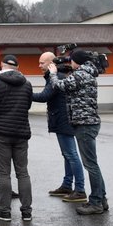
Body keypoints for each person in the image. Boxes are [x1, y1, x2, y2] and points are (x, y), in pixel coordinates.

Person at [47, 49, 107, 215]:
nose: (70, 63)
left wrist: (53, 73)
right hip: (89, 122)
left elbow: (60, 85)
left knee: (90, 164)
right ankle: (102, 199)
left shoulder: (80, 74)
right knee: (92, 163)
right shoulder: (89, 72)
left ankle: (96, 202)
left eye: (72, 60)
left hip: (84, 123)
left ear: (76, 61)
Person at [0, 54, 33, 222]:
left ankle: (5, 211)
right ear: (16, 67)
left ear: (2, 66)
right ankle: (26, 212)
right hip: (21, 133)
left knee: (4, 173)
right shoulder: (27, 84)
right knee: (23, 172)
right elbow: (28, 106)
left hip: (0, 134)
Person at [32, 52, 87, 203]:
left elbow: (44, 96)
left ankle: (80, 190)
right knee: (67, 155)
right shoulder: (57, 76)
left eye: (42, 62)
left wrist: (24, 92)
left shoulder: (56, 77)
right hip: (63, 119)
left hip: (64, 120)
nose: (39, 65)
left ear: (51, 63)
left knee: (71, 155)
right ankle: (67, 185)